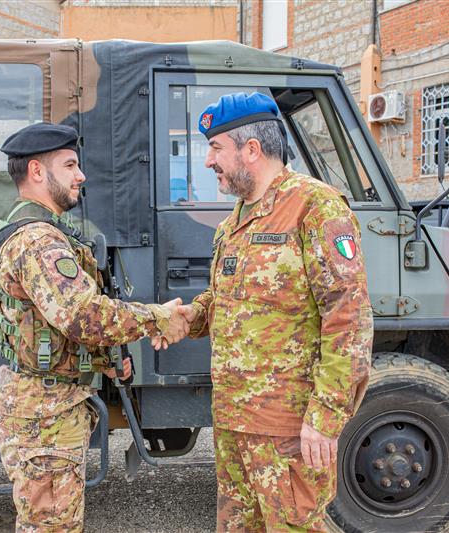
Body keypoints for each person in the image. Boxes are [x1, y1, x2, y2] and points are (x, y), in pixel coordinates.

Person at [155, 92, 373, 531]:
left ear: (250, 150)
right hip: (235, 421)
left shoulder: (316, 207)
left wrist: (325, 418)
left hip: (288, 427)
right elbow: (224, 301)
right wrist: (183, 319)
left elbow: (348, 318)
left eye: (216, 148)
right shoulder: (233, 222)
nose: (208, 161)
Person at [0, 122, 189, 533]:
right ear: (38, 172)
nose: (81, 176)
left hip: (48, 407)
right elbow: (84, 317)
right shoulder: (39, 242)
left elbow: (56, 324)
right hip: (45, 414)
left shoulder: (44, 233)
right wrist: (158, 317)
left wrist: (106, 362)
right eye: (71, 165)